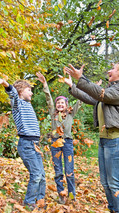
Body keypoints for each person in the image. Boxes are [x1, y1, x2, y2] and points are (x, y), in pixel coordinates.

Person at [62, 59, 119, 213]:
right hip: (105, 140)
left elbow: (101, 94)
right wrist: (72, 86)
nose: (109, 70)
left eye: (113, 68)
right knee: (105, 182)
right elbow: (92, 97)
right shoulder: (111, 90)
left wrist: (82, 78)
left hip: (116, 140)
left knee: (114, 182)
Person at [0, 78, 46, 211]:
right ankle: (29, 202)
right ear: (20, 91)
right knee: (36, 174)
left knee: (42, 175)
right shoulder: (18, 103)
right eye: (29, 90)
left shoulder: (27, 104)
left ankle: (40, 200)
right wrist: (4, 83)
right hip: (26, 144)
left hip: (35, 144)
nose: (31, 93)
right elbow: (12, 93)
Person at [36, 72, 82, 204]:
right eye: (58, 103)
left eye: (62, 103)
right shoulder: (53, 113)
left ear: (66, 105)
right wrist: (45, 84)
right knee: (58, 170)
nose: (60, 105)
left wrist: (85, 89)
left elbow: (80, 101)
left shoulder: (70, 114)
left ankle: (72, 196)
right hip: (55, 143)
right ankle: (61, 194)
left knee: (69, 171)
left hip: (67, 143)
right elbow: (48, 98)